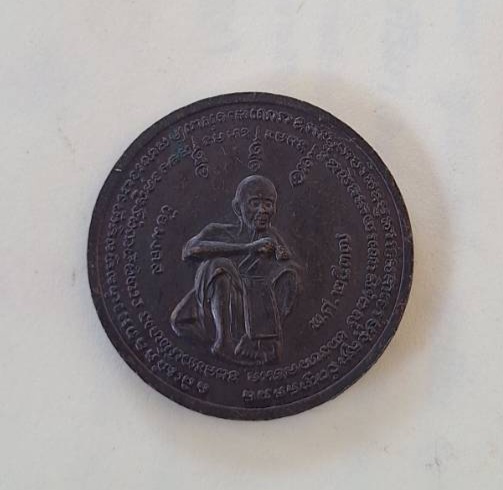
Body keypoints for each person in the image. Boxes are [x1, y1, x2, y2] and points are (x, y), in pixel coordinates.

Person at [170, 175, 301, 365]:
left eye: (268, 204)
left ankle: (260, 340)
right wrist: (248, 248)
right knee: (218, 264)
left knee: (290, 273)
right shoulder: (218, 231)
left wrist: (281, 258)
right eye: (254, 203)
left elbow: (288, 267)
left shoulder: (271, 236)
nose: (263, 210)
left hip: (253, 308)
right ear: (237, 208)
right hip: (216, 309)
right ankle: (224, 342)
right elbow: (190, 250)